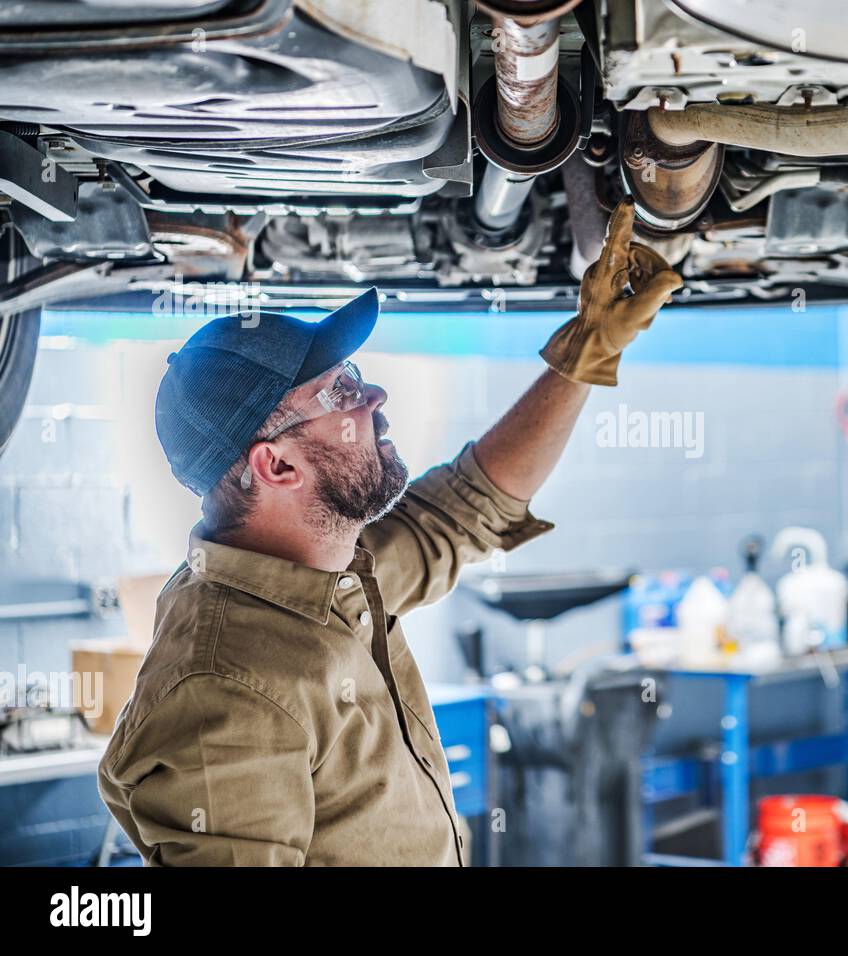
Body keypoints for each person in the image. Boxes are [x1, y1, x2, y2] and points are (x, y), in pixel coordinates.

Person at [97, 201, 681, 865]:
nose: (373, 397)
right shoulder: (224, 689)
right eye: (340, 393)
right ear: (278, 464)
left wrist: (587, 349)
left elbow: (466, 504)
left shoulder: (332, 567)